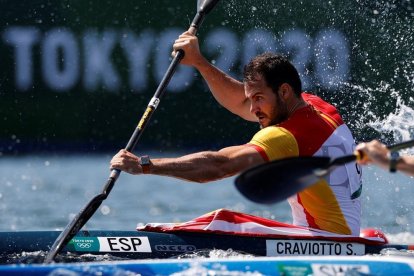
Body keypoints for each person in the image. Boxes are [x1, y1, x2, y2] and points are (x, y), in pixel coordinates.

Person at [110, 31, 362, 236]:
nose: (252, 109)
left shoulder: (285, 136)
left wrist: (145, 165)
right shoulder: (318, 107)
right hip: (344, 236)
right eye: (251, 98)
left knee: (221, 222)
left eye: (259, 98)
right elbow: (239, 102)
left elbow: (221, 166)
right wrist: (199, 61)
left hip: (326, 242)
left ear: (284, 91)